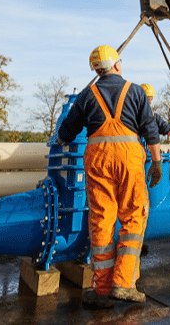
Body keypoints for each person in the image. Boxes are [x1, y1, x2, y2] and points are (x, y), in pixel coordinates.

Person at [57, 45, 161, 309]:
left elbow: (67, 131)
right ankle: (123, 283)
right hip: (129, 158)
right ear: (117, 65)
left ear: (97, 70)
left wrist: (59, 139)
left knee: (102, 221)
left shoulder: (86, 94)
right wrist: (157, 162)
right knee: (134, 216)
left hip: (98, 159)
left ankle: (101, 290)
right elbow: (150, 129)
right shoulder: (136, 91)